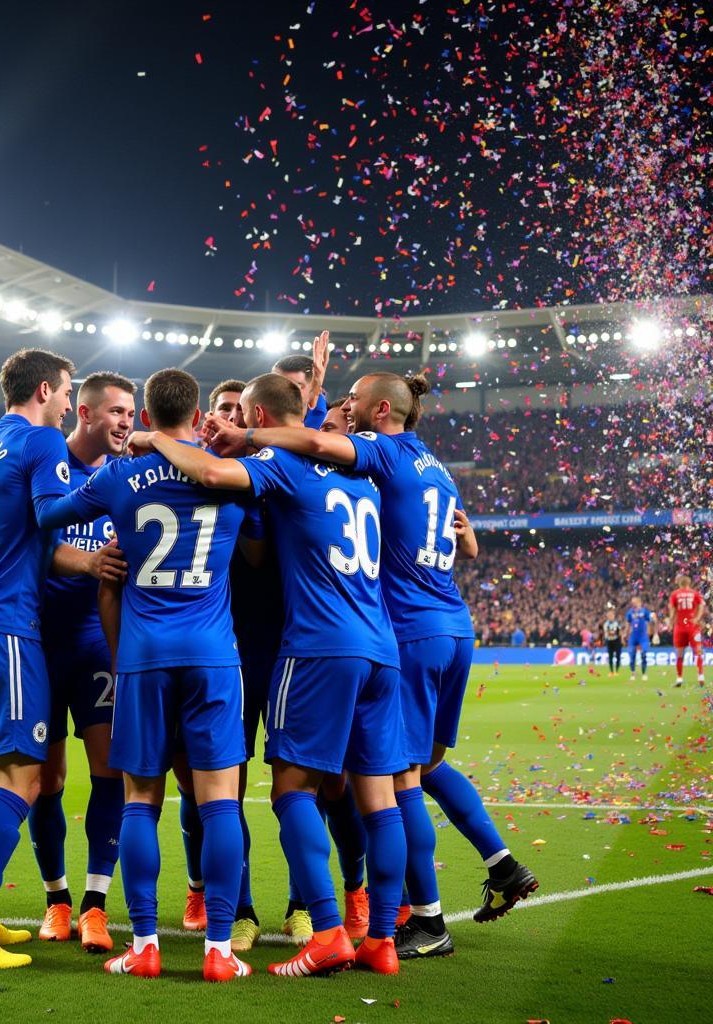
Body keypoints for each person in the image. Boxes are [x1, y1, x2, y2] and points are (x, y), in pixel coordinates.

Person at [207, 368, 539, 959]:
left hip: (361, 637)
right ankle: (414, 915)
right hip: (417, 633)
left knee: (348, 785)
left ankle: (398, 922)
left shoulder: (366, 458)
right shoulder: (410, 472)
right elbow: (465, 539)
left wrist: (222, 438)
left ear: (380, 411)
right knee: (409, 774)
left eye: (351, 406)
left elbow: (294, 446)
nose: (343, 414)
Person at [132, 372, 410, 978]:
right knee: (379, 799)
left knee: (290, 791)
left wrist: (157, 441)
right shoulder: (365, 476)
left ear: (257, 415)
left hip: (317, 649)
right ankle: (383, 940)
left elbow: (209, 476)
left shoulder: (284, 466)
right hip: (381, 647)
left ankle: (329, 929)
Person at [39, 368, 257, 982]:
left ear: (145, 415)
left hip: (141, 656)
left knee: (141, 799)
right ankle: (219, 949)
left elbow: (50, 515)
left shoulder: (116, 475)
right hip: (214, 657)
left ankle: (143, 944)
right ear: (196, 413)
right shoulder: (232, 476)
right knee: (218, 802)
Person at [0, 348, 126, 971]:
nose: (68, 403)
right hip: (5, 625)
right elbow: (52, 513)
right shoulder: (42, 442)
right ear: (47, 390)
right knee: (25, 780)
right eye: (67, 393)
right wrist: (111, 485)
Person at [31, 371, 137, 954]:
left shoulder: (127, 476)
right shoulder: (48, 464)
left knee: (107, 772)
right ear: (88, 413)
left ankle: (95, 906)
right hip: (42, 641)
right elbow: (29, 542)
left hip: (99, 640)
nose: (127, 422)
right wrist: (91, 562)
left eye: (132, 413)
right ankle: (57, 901)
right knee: (47, 780)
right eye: (118, 412)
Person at [174, 377, 248, 937]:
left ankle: (304, 902)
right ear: (204, 416)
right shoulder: (182, 468)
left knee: (314, 786)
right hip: (207, 647)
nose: (228, 418)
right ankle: (211, 898)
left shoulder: (260, 472)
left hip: (263, 647)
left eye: (239, 412)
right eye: (222, 409)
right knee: (196, 783)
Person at [272, 331, 330, 429]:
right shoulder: (249, 417)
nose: (283, 392)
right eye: (277, 384)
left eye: (295, 387)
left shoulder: (325, 423)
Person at [669, 574, 705, 687]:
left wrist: (671, 623)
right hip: (693, 626)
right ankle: (701, 675)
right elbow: (701, 606)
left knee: (679, 654)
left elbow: (672, 610)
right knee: (698, 652)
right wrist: (697, 618)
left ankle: (679, 678)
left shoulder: (675, 594)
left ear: (680, 583)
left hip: (680, 626)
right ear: (689, 583)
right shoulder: (695, 593)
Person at [625, 596, 652, 681]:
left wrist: (652, 633)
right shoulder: (629, 612)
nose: (633, 604)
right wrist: (626, 634)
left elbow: (650, 622)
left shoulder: (645, 612)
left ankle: (644, 673)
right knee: (632, 655)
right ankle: (633, 673)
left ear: (639, 602)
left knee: (644, 654)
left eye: (635, 602)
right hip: (633, 636)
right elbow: (628, 624)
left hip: (643, 636)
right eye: (632, 602)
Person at [601, 609, 623, 676]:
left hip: (617, 641)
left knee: (618, 656)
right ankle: (611, 671)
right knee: (610, 656)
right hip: (609, 641)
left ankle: (617, 671)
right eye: (609, 616)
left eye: (611, 615)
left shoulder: (617, 623)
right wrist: (614, 633)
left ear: (614, 616)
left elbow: (620, 632)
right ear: (607, 617)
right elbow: (608, 632)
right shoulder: (605, 624)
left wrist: (621, 639)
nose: (610, 617)